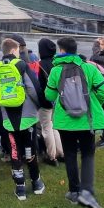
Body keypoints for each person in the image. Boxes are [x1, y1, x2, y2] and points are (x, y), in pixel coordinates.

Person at [45, 36, 104, 208]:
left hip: (65, 121)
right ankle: (87, 191)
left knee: (71, 154)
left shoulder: (55, 71)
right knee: (88, 154)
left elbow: (49, 96)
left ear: (62, 51)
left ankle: (74, 191)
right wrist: (93, 103)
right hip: (87, 120)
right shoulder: (89, 68)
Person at [0, 38, 45, 200]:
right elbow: (33, 89)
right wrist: (38, 106)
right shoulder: (22, 65)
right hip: (27, 116)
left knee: (14, 151)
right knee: (30, 149)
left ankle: (20, 187)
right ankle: (36, 182)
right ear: (15, 50)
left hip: (8, 118)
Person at [35, 38, 63, 166]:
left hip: (45, 102)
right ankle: (61, 153)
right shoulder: (57, 63)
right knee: (54, 127)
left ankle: (52, 157)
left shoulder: (40, 65)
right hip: (57, 100)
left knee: (46, 128)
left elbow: (38, 85)